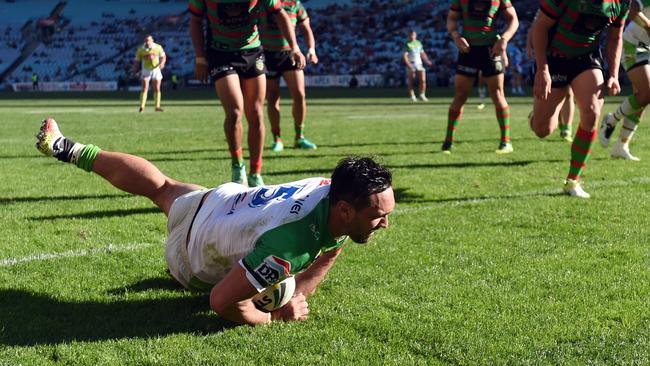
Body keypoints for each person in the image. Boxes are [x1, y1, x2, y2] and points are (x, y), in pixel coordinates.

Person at [35, 117, 395, 325]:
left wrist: (298, 293)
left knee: (162, 186)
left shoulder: (333, 188)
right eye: (379, 216)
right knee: (238, 285)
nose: (385, 224)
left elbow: (331, 248)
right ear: (345, 210)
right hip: (189, 257)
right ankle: (186, 271)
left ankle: (67, 146)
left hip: (219, 201)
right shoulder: (289, 250)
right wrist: (275, 317)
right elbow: (222, 302)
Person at [189, 0, 306, 188]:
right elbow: (195, 20)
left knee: (256, 114)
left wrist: (295, 47)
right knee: (235, 112)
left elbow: (280, 13)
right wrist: (200, 57)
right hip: (220, 54)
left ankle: (255, 172)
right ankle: (238, 166)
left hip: (252, 53)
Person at [530, 0, 629, 198]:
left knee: (592, 112)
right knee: (542, 129)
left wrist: (613, 75)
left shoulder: (622, 2)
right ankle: (537, 114)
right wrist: (542, 69)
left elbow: (615, 38)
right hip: (555, 58)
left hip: (586, 58)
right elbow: (540, 27)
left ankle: (572, 181)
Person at [443, 0, 519, 154]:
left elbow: (513, 19)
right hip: (468, 50)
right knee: (460, 95)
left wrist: (504, 39)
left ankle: (506, 141)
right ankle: (448, 140)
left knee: (497, 94)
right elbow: (451, 18)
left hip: (491, 49)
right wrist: (456, 36)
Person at [260, 0, 319, 152]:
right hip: (267, 54)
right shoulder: (265, 3)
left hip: (290, 54)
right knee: (272, 98)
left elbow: (306, 28)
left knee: (299, 95)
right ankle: (277, 138)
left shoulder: (295, 4)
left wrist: (311, 49)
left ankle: (299, 137)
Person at [599, 0, 650, 161]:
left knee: (642, 99)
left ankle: (621, 146)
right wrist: (648, 25)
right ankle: (610, 121)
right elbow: (633, 8)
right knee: (647, 92)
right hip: (635, 44)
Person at [526, 16, 574, 143]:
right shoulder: (551, 5)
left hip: (570, 54)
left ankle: (566, 128)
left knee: (569, 92)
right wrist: (529, 46)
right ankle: (538, 117)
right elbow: (536, 25)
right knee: (542, 127)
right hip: (549, 57)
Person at [133, 35, 166, 113]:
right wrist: (135, 69)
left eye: (148, 40)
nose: (147, 42)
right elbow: (137, 61)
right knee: (145, 88)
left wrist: (162, 63)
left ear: (152, 40)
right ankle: (142, 107)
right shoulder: (141, 49)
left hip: (156, 69)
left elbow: (163, 57)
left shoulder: (158, 47)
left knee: (157, 88)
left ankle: (157, 106)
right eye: (146, 40)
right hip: (146, 70)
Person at [403, 30, 433, 102]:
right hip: (411, 63)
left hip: (419, 63)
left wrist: (427, 60)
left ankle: (422, 95)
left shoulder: (418, 43)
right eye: (410, 35)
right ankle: (412, 95)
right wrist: (408, 64)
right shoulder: (407, 44)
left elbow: (422, 53)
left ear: (415, 35)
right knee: (411, 80)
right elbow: (405, 55)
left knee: (423, 80)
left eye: (413, 35)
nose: (412, 36)